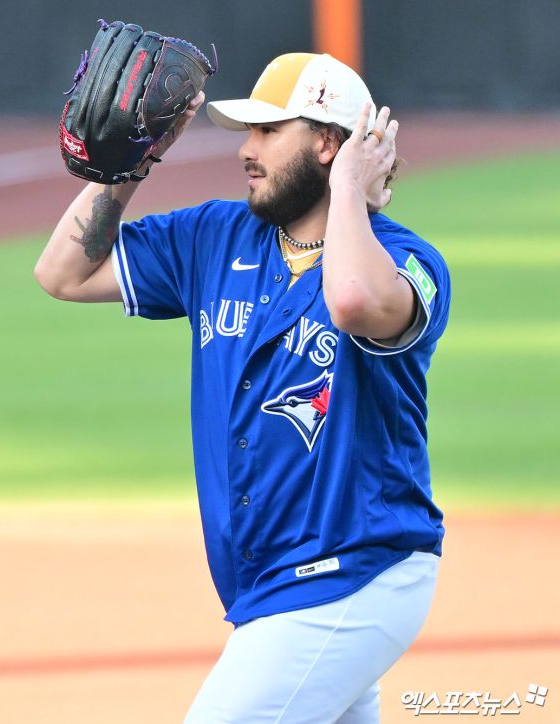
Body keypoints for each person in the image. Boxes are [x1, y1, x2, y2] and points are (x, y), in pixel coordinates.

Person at [35, 51, 450, 723]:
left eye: (268, 131)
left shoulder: (409, 261)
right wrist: (131, 166)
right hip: (266, 584)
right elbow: (62, 274)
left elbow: (350, 301)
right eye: (247, 132)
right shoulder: (215, 236)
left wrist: (349, 191)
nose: (246, 151)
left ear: (328, 144)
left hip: (352, 571)